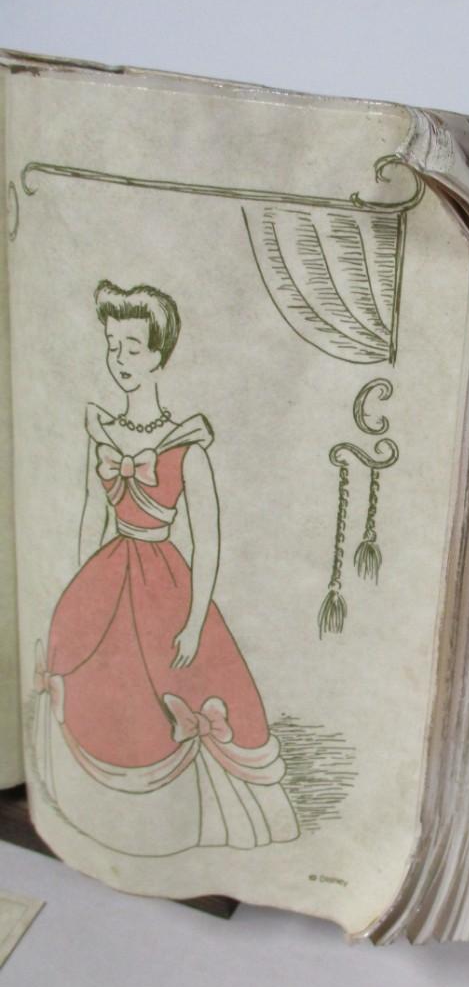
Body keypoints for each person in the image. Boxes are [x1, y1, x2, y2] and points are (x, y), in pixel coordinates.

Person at [31, 279, 299, 855]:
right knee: (100, 687)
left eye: (132, 347)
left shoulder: (187, 445)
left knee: (177, 687)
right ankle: (98, 819)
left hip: (166, 583)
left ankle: (181, 830)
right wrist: (79, 600)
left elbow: (208, 542)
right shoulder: (102, 433)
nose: (119, 359)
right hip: (107, 573)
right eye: (112, 346)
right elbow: (91, 516)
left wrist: (195, 622)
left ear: (158, 356)